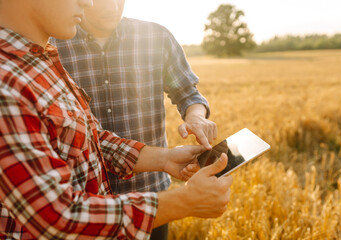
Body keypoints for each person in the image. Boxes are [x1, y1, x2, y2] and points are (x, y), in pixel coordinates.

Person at [0, 0, 233, 239]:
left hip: (129, 205)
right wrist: (183, 202)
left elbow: (91, 138)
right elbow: (56, 216)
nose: (87, 2)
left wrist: (164, 158)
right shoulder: (6, 84)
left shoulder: (40, 59)